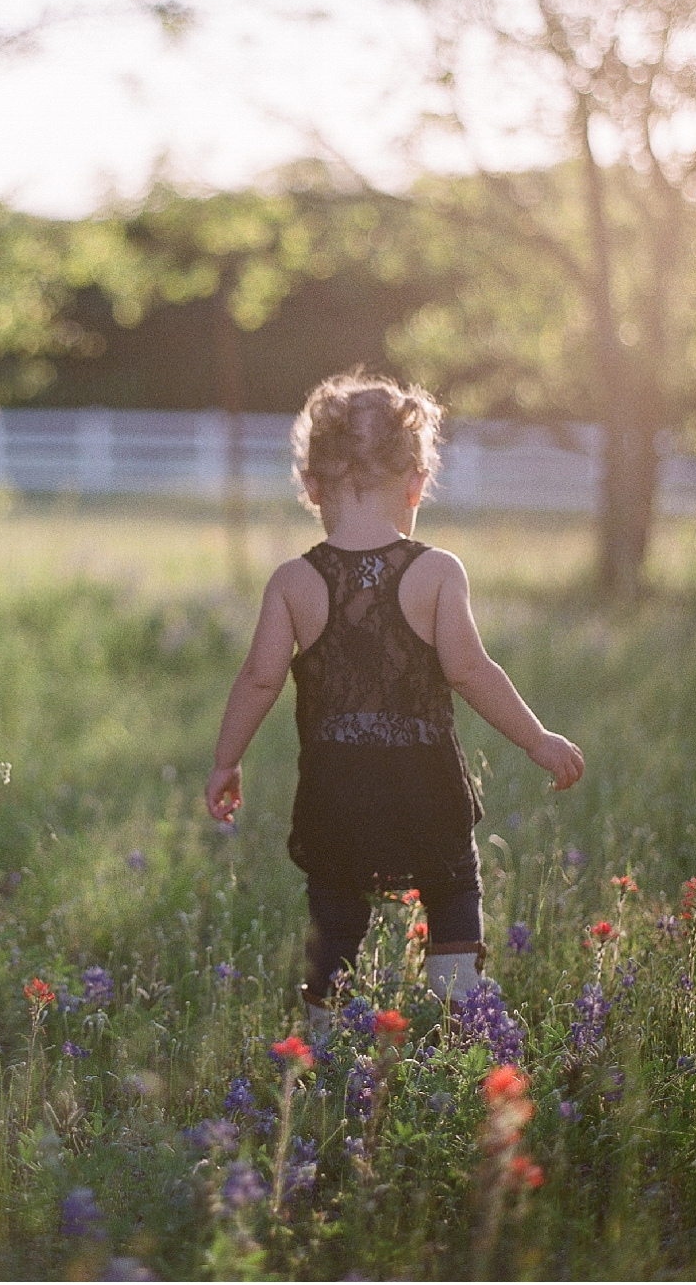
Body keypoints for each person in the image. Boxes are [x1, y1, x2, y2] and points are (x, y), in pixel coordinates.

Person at [204, 371, 584, 1032]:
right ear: (416, 484)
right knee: (450, 889)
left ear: (312, 486)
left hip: (335, 790)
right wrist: (536, 738)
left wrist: (225, 761)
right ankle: (460, 992)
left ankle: (324, 1035)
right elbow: (471, 670)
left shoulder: (294, 581)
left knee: (338, 910)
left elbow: (258, 679)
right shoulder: (437, 572)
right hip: (425, 785)